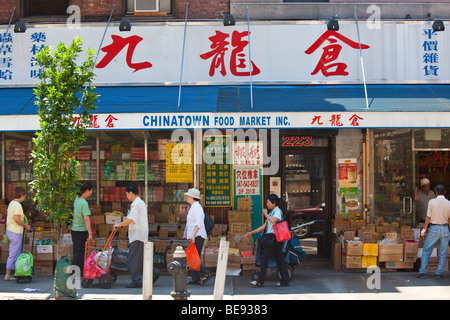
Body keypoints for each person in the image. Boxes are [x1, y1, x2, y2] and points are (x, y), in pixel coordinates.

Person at [245, 194, 290, 287]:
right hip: (274, 239)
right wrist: (251, 232)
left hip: (273, 239)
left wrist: (265, 214)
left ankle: (260, 281)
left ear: (274, 203)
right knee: (279, 260)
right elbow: (264, 226)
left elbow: (273, 221)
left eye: (268, 202)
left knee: (264, 259)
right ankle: (285, 280)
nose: (267, 204)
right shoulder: (272, 212)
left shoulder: (277, 211)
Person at [113, 184, 148, 288]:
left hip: (137, 236)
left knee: (134, 259)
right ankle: (153, 273)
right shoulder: (139, 203)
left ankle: (136, 281)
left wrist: (118, 225)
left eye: (127, 194)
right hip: (139, 235)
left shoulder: (136, 204)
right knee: (138, 258)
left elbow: (131, 219)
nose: (127, 196)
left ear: (131, 193)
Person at [416, 184, 450, 279]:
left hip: (434, 228)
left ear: (435, 192)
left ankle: (423, 271)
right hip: (444, 228)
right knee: (443, 252)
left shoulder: (432, 202)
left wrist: (425, 228)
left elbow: (428, 217)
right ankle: (439, 273)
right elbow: (449, 219)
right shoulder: (448, 203)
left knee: (427, 250)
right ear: (445, 192)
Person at [183, 188, 211, 285]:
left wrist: (193, 235)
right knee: (193, 256)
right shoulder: (193, 207)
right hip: (195, 235)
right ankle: (195, 278)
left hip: (198, 235)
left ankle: (206, 273)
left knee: (194, 257)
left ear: (192, 197)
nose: (187, 197)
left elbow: (198, 223)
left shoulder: (197, 208)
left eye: (188, 196)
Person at [5, 186, 31, 281]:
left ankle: (19, 272)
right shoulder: (17, 205)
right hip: (15, 232)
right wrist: (25, 225)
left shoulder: (11, 203)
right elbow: (16, 218)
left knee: (18, 252)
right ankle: (8, 274)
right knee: (14, 253)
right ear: (22, 195)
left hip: (11, 230)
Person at [70, 182, 94, 276]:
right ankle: (74, 273)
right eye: (91, 191)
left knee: (77, 252)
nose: (91, 193)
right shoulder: (84, 202)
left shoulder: (77, 199)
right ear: (87, 191)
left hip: (74, 229)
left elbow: (78, 211)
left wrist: (88, 210)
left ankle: (77, 272)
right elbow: (86, 218)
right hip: (80, 230)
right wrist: (90, 233)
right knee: (79, 253)